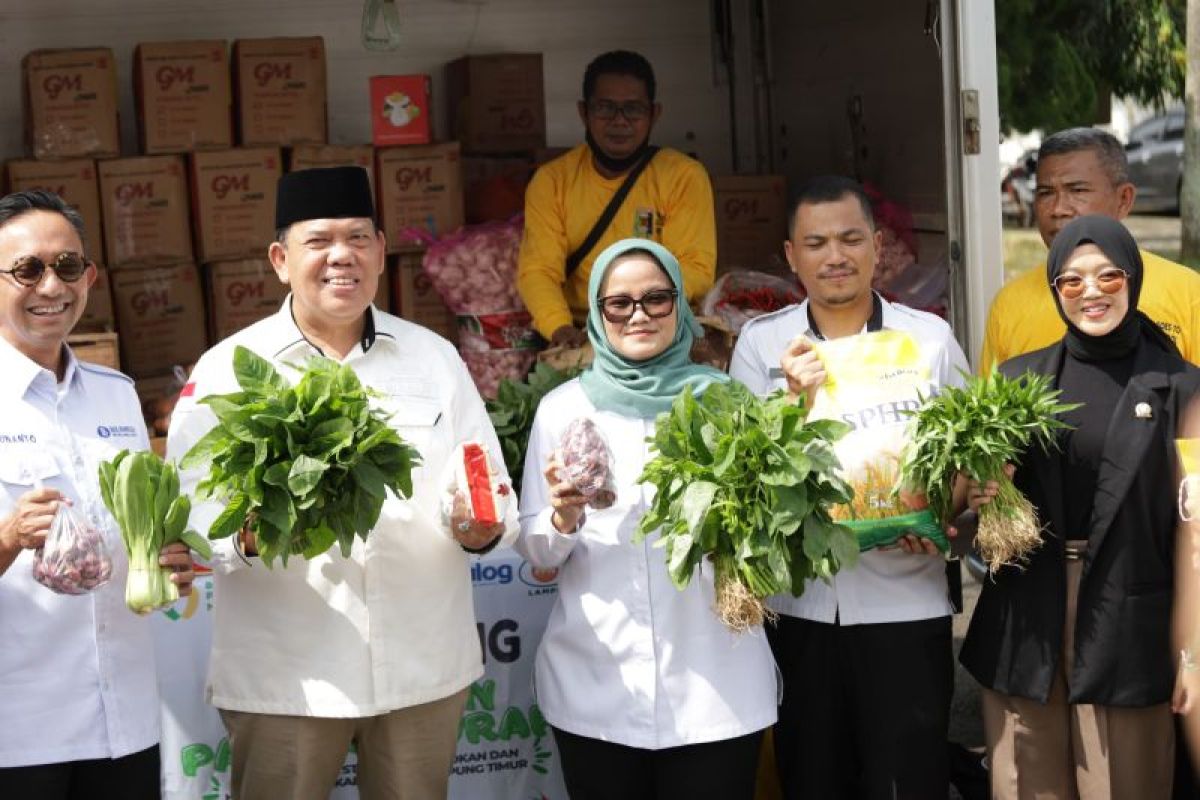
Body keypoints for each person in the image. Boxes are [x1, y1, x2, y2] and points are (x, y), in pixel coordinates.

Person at [166, 166, 518, 800]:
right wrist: (248, 534)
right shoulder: (228, 371)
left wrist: (479, 528)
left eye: (358, 238)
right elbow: (190, 515)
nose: (342, 256)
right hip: (289, 675)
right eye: (319, 241)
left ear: (382, 251)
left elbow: (483, 481)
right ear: (280, 259)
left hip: (421, 665)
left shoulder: (433, 358)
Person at [729, 175, 969, 799]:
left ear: (877, 245)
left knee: (909, 780)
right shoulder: (762, 346)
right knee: (813, 777)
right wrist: (789, 401)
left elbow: (970, 459)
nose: (834, 256)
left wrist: (948, 517)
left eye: (849, 238)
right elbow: (744, 476)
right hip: (802, 609)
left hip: (906, 604)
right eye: (816, 243)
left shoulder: (928, 339)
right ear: (791, 256)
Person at [517, 238, 776, 799]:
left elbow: (773, 532)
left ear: (680, 306)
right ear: (597, 312)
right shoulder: (563, 410)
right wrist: (562, 517)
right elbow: (536, 550)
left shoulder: (727, 401)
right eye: (619, 303)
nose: (639, 315)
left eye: (657, 299)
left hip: (717, 685)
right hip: (596, 687)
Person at [961, 215, 1200, 799]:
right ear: (1054, 290)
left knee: (1123, 783)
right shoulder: (1017, 380)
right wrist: (985, 494)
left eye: (1107, 276)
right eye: (1071, 281)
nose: (1090, 292)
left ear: (1133, 277)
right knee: (1024, 784)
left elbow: (1197, 533)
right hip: (1025, 619)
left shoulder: (1184, 387)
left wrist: (1192, 653)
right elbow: (964, 506)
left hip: (1131, 614)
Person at [0, 190, 196, 799]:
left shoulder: (115, 395)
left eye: (67, 267)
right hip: (20, 726)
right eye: (27, 269)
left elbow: (135, 535)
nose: (50, 287)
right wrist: (7, 537)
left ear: (89, 278)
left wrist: (169, 559)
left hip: (125, 715)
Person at [517, 50, 716, 348]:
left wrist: (636, 314)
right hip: (577, 333)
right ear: (584, 112)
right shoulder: (551, 181)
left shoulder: (683, 176)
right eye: (606, 108)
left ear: (654, 113)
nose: (619, 121)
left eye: (633, 109)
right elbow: (538, 271)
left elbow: (695, 269)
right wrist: (559, 330)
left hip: (658, 326)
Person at [980, 127, 1200, 369]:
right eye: (1045, 193)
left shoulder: (1187, 294)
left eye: (1077, 190)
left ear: (1124, 200)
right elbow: (993, 405)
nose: (1058, 209)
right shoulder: (1011, 305)